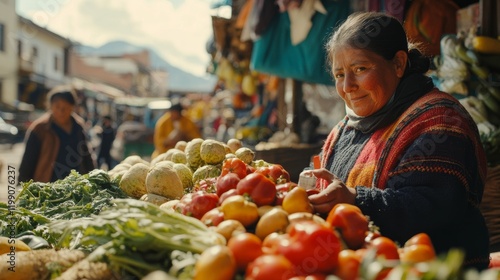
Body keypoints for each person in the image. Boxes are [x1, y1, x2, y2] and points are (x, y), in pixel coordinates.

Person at [303, 12, 490, 270]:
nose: (347, 86)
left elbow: (432, 208)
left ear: (399, 63)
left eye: (360, 69)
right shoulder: (346, 128)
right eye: (338, 75)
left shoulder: (441, 122)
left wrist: (356, 199)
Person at [18, 86, 96, 183]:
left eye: (65, 107)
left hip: (76, 186)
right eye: (57, 107)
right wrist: (23, 185)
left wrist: (93, 178)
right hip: (48, 188)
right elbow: (28, 161)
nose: (61, 111)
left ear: (72, 107)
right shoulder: (40, 128)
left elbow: (86, 157)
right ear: (50, 106)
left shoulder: (78, 126)